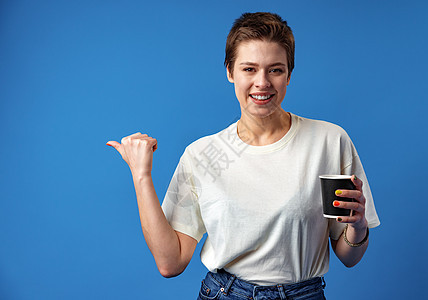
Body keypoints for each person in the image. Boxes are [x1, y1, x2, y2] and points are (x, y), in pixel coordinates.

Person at [107, 12, 380, 300]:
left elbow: (349, 257)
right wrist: (141, 175)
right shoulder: (202, 155)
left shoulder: (329, 141)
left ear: (289, 74)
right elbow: (170, 262)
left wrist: (359, 226)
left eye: (275, 70)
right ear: (230, 72)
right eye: (249, 69)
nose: (262, 82)